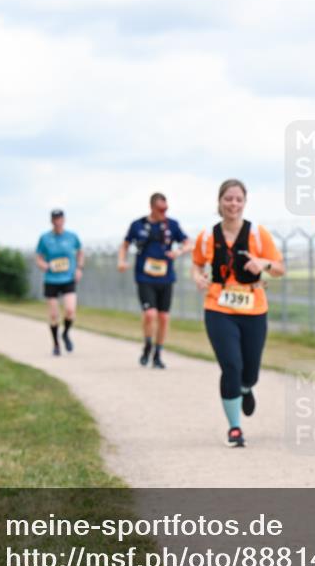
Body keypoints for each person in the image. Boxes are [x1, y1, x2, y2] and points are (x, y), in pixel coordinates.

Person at [191, 179, 284, 447]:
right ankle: (234, 428)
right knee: (231, 365)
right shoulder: (207, 236)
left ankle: (246, 388)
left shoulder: (257, 234)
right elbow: (196, 265)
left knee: (250, 370)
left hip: (254, 308)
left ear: (245, 202)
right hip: (218, 308)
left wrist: (263, 264)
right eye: (228, 199)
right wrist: (198, 278)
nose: (233, 204)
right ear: (219, 202)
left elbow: (279, 268)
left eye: (238, 199)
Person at [118, 193, 190, 368]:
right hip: (144, 277)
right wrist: (121, 260)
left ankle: (158, 353)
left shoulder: (172, 225)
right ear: (151, 207)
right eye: (160, 209)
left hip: (166, 278)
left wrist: (178, 252)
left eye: (166, 209)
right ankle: (147, 345)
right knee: (150, 314)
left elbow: (188, 243)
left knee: (164, 317)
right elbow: (125, 245)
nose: (163, 212)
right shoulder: (138, 225)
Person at [35, 209, 83, 356]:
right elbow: (38, 256)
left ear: (64, 220)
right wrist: (43, 264)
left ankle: (65, 333)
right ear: (52, 221)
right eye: (55, 219)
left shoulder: (72, 237)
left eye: (60, 218)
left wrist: (79, 268)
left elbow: (80, 252)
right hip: (51, 280)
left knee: (70, 310)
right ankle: (56, 344)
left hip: (68, 278)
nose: (58, 221)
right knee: (54, 315)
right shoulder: (45, 238)